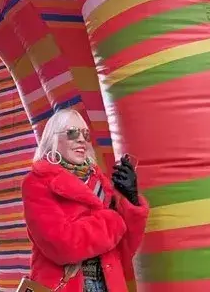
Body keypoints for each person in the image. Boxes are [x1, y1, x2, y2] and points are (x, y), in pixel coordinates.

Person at [22, 108, 149, 292]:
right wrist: (113, 219)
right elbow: (64, 245)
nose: (81, 139)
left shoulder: (101, 183)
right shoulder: (37, 182)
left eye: (85, 134)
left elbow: (125, 250)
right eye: (72, 133)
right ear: (53, 138)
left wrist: (130, 200)